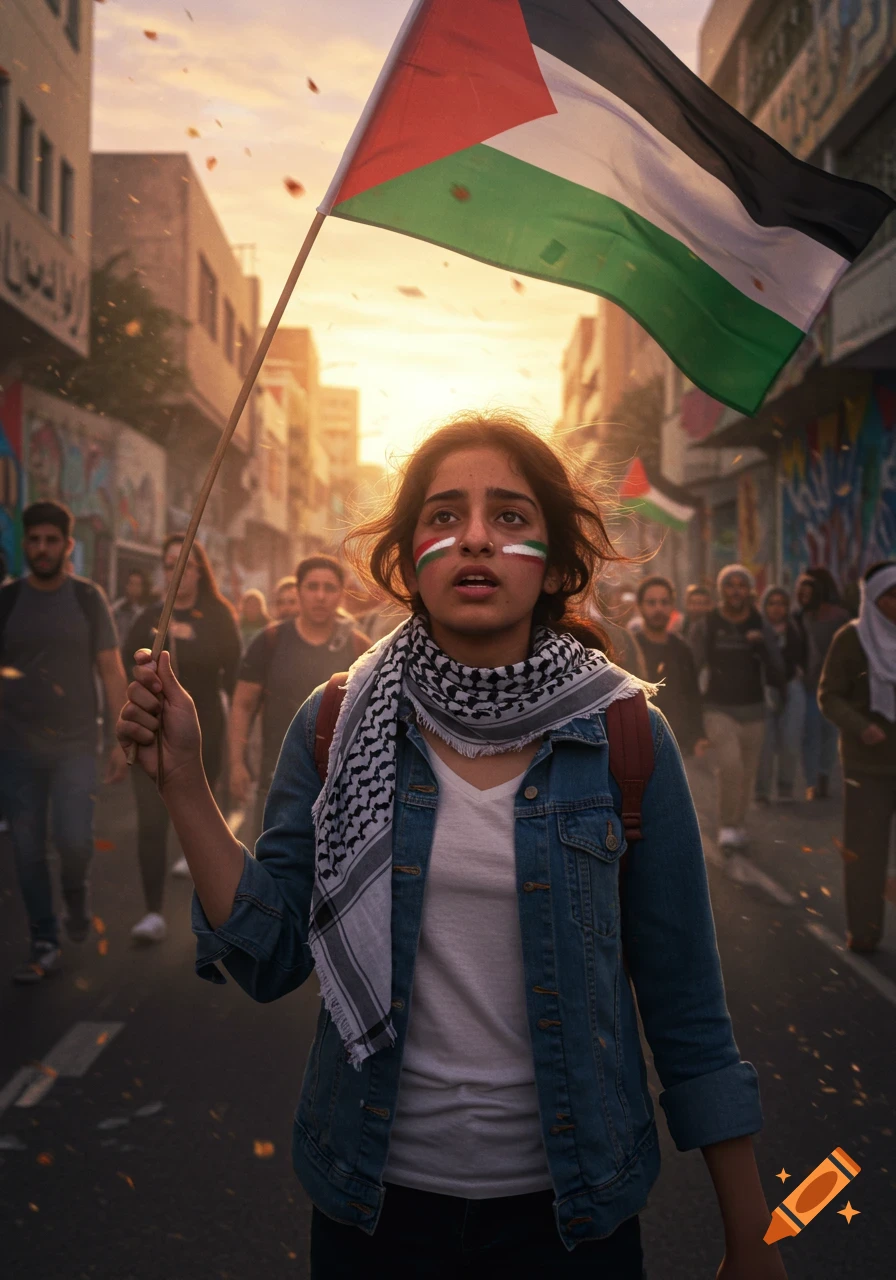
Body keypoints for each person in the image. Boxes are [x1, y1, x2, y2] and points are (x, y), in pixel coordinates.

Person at [118, 412, 785, 1280]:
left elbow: (687, 1004)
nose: (474, 537)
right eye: (444, 516)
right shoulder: (335, 723)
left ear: (553, 561)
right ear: (407, 557)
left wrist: (751, 1239)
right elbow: (269, 954)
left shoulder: (625, 733)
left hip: (573, 1220)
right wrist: (183, 782)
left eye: (510, 517)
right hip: (373, 1210)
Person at [0, 501, 128, 983]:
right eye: (34, 539)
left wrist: (120, 739)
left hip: (76, 743)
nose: (42, 548)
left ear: (67, 546)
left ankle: (75, 894)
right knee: (27, 850)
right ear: (25, 543)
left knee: (74, 839)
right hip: (15, 747)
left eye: (52, 540)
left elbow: (111, 670)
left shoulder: (87, 598)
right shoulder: (7, 601)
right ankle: (44, 939)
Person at [123, 534, 241, 942]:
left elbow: (235, 673)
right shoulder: (150, 617)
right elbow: (127, 665)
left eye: (185, 563)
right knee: (151, 822)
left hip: (203, 732)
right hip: (155, 733)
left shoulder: (220, 615)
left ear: (199, 571)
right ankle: (152, 911)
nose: (177, 570)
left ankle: (215, 913)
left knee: (201, 821)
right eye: (169, 562)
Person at [229, 555, 370, 849]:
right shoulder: (270, 641)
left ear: (340, 594)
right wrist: (236, 763)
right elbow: (242, 704)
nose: (320, 596)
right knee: (273, 875)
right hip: (276, 780)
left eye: (329, 588)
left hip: (340, 789)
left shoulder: (359, 648)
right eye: (312, 586)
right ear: (299, 590)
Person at [819, 561, 896, 954]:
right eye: (890, 597)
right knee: (865, 853)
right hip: (867, 765)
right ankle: (864, 931)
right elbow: (828, 695)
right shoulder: (852, 639)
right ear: (874, 599)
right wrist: (861, 725)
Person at [690, 565, 785, 852]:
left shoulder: (760, 623)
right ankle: (727, 825)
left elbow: (778, 669)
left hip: (754, 711)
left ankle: (738, 823)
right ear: (721, 590)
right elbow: (692, 666)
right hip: (718, 708)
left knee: (747, 773)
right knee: (730, 766)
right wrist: (692, 715)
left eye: (741, 585)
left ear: (749, 590)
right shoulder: (708, 624)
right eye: (729, 585)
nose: (735, 591)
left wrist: (762, 648)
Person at [634, 576, 706, 756]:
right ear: (640, 606)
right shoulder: (630, 648)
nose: (658, 608)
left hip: (678, 744)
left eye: (664, 602)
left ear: (672, 606)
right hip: (638, 743)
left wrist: (698, 735)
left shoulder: (682, 649)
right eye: (651, 603)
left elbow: (692, 695)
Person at [794, 569, 849, 800]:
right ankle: (811, 782)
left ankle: (824, 775)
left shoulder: (841, 618)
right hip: (809, 685)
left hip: (834, 687)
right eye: (801, 594)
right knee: (811, 734)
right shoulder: (799, 618)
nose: (805, 598)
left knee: (829, 733)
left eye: (809, 593)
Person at [754, 587, 806, 806]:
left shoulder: (794, 629)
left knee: (790, 741)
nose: (777, 608)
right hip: (764, 689)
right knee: (765, 744)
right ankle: (762, 791)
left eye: (781, 603)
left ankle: (786, 787)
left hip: (792, 688)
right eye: (772, 603)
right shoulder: (756, 629)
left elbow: (805, 656)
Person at [111, 569, 153, 644]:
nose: (134, 588)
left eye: (137, 584)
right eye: (131, 583)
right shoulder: (118, 607)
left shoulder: (148, 610)